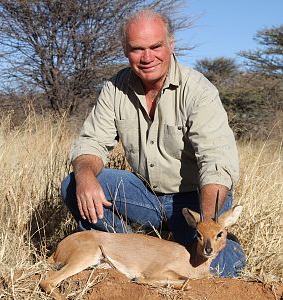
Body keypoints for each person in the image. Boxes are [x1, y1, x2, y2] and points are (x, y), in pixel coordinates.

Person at [61, 9, 246, 277]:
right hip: (146, 194)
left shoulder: (198, 90)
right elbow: (91, 143)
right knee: (72, 184)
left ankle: (227, 251)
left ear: (171, 45)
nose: (147, 58)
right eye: (137, 49)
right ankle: (129, 256)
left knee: (219, 271)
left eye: (156, 46)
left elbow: (216, 161)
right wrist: (86, 175)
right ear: (125, 50)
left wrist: (206, 222)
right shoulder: (115, 88)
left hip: (195, 200)